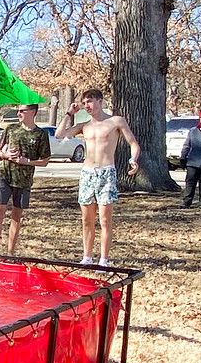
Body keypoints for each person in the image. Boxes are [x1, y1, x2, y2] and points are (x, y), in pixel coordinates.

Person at [55, 89, 141, 267]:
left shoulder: (115, 121)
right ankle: (87, 257)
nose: (87, 105)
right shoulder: (84, 125)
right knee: (87, 219)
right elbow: (59, 134)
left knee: (104, 219)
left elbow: (133, 143)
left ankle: (104, 259)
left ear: (100, 101)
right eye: (84, 102)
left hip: (106, 173)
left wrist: (133, 159)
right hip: (87, 173)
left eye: (90, 101)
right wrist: (69, 113)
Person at [0, 104, 51, 255]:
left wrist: (28, 162)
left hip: (24, 181)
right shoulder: (11, 129)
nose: (18, 113)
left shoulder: (40, 134)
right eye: (18, 110)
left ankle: (10, 253)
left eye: (22, 111)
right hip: (5, 176)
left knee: (16, 217)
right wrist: (5, 155)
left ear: (32, 112)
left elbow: (45, 160)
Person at [180, 109, 201, 209]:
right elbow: (186, 146)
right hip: (192, 163)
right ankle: (187, 202)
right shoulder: (193, 131)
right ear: (199, 119)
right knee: (190, 183)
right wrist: (183, 157)